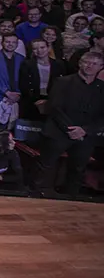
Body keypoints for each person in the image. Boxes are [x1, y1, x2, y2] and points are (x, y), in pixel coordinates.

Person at [37, 50, 104, 196]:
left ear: (101, 67)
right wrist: (71, 129)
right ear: (80, 63)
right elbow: (54, 108)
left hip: (85, 136)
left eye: (94, 64)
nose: (90, 66)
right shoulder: (63, 82)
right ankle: (39, 194)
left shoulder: (101, 88)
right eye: (87, 62)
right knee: (47, 165)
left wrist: (84, 130)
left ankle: (71, 197)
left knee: (78, 169)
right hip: (58, 131)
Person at [19, 38, 66, 120]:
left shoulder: (59, 64)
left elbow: (62, 86)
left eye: (42, 47)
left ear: (48, 48)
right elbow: (23, 85)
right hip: (32, 100)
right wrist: (36, 100)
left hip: (53, 100)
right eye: (35, 48)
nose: (39, 51)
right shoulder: (27, 64)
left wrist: (49, 100)